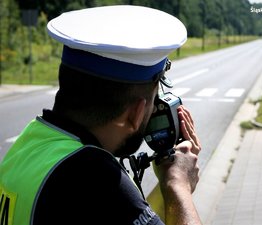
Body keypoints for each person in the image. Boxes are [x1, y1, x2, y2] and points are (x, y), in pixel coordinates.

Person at [0, 5, 202, 225]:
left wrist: (168, 180)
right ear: (135, 113)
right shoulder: (93, 177)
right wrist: (178, 185)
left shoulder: (31, 143)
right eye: (154, 102)